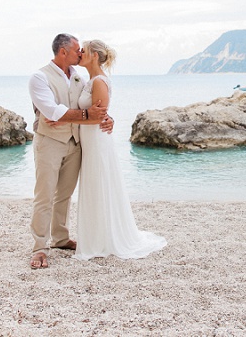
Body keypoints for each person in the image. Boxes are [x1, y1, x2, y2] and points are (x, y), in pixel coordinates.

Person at [61, 39, 166, 260]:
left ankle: (103, 239)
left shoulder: (99, 81)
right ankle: (97, 236)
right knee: (94, 184)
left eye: (84, 51)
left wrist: (83, 119)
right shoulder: (90, 81)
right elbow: (98, 115)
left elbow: (98, 116)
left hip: (97, 140)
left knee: (99, 183)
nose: (80, 54)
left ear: (95, 57)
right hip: (90, 140)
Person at [28, 33, 112, 270]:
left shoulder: (77, 77)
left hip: (75, 144)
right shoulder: (39, 77)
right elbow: (53, 111)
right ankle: (40, 248)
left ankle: (61, 238)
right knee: (44, 195)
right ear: (63, 51)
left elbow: (91, 104)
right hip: (49, 143)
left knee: (64, 195)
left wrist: (107, 118)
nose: (80, 53)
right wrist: (76, 115)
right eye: (77, 50)